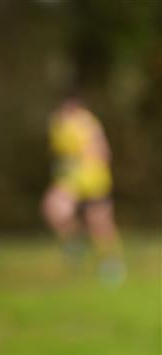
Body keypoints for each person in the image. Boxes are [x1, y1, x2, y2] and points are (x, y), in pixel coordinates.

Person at [41, 97, 125, 284]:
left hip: (94, 179)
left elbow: (102, 152)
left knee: (100, 223)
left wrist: (86, 160)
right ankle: (76, 241)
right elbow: (59, 154)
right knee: (54, 209)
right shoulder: (58, 126)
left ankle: (111, 263)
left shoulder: (86, 123)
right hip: (73, 180)